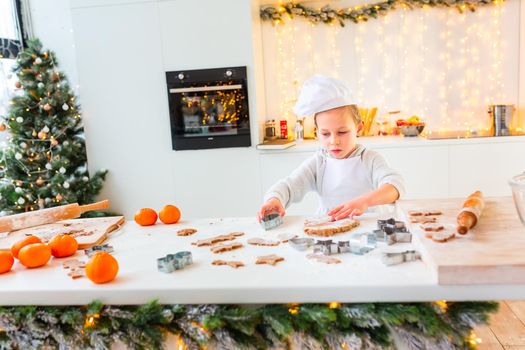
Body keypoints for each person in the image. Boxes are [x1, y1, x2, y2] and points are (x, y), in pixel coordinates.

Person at [257, 75, 405, 222]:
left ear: (359, 128)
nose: (334, 141)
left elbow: (394, 187)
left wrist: (365, 201)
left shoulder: (370, 159)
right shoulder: (318, 163)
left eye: (342, 132)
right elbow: (289, 186)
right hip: (329, 229)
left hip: (369, 226)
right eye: (325, 133)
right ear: (317, 132)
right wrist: (274, 199)